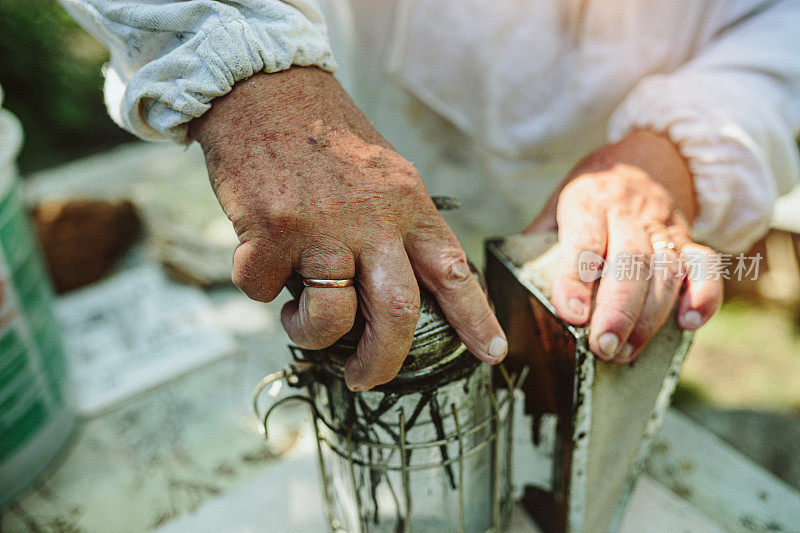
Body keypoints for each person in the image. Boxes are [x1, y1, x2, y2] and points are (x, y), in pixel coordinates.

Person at [60, 0, 800, 391]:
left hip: (588, 216)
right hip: (343, 153)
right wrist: (250, 69)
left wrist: (674, 148)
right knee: (359, 355)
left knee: (565, 412)